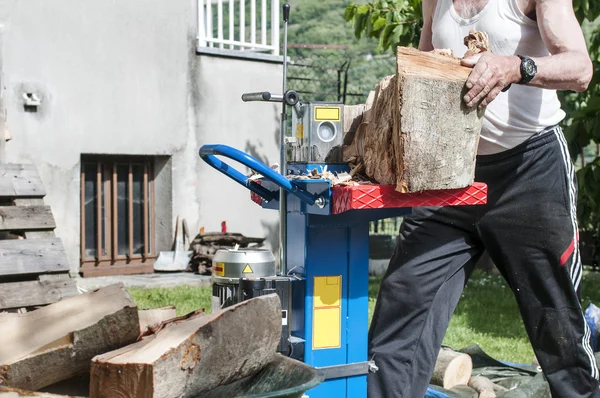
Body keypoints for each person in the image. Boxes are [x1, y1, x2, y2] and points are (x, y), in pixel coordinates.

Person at [367, 0, 598, 397]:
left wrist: (516, 66)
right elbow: (424, 62)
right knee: (401, 313)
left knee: (557, 326)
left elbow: (580, 68)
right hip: (446, 173)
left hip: (529, 171)